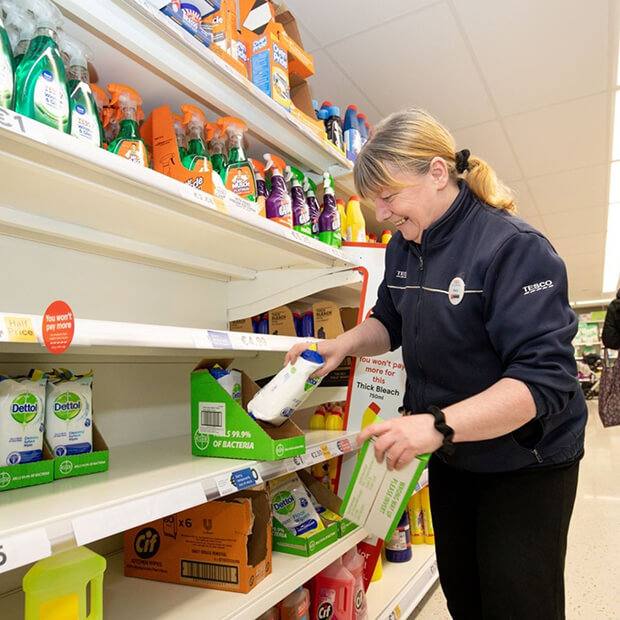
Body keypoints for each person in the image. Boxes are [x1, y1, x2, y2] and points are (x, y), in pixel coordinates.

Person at [286, 108, 587, 619]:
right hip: (454, 453)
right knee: (465, 596)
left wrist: (437, 425)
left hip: (525, 464)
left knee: (519, 604)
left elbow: (544, 382)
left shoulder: (513, 249)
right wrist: (340, 345)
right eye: (373, 201)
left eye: (389, 196)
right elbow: (389, 320)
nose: (382, 214)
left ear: (438, 173)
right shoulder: (406, 244)